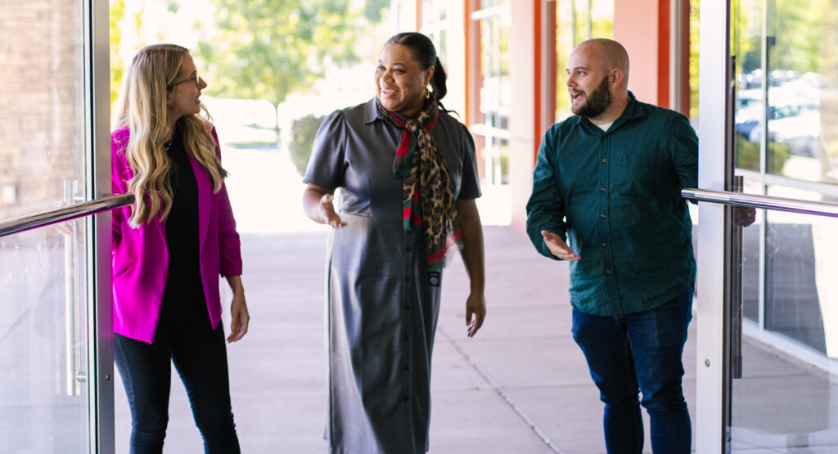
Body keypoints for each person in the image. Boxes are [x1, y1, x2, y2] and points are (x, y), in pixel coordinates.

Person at [302, 32, 487, 454]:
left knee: (410, 380)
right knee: (366, 382)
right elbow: (311, 193)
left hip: (423, 274)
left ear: (428, 75)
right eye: (381, 67)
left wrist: (478, 287)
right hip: (360, 275)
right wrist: (322, 208)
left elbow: (466, 214)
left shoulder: (454, 136)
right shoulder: (347, 125)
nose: (386, 78)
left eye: (399, 70)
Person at [526, 38, 699, 454]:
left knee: (661, 397)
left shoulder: (667, 128)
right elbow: (542, 208)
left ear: (615, 77)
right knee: (616, 399)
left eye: (580, 72)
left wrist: (738, 210)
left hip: (656, 291)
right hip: (592, 296)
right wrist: (548, 235)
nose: (569, 82)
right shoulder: (558, 139)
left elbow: (706, 192)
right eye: (569, 72)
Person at [110, 44, 249, 454]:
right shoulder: (117, 151)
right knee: (151, 427)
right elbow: (105, 240)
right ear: (166, 91)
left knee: (219, 425)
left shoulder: (204, 139)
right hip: (137, 314)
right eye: (192, 77)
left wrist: (236, 287)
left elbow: (223, 219)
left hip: (198, 308)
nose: (201, 83)